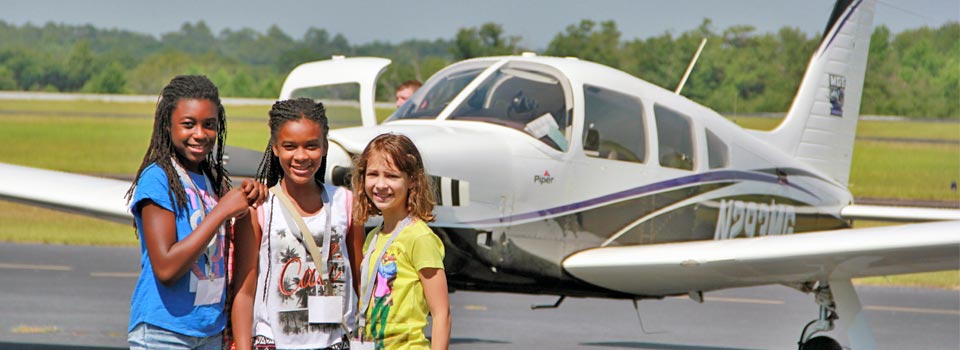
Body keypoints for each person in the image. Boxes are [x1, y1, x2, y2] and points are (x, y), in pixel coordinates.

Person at [125, 75, 266, 350]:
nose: (200, 134)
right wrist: (221, 212)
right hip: (164, 333)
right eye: (188, 124)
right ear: (167, 125)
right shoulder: (158, 179)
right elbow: (166, 269)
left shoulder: (214, 179)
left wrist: (249, 198)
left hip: (209, 332)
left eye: (209, 125)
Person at [232, 98, 365, 350]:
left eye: (311, 146)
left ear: (325, 147)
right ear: (275, 148)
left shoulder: (347, 203)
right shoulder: (260, 208)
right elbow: (245, 290)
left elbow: (360, 281)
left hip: (335, 341)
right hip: (273, 342)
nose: (301, 156)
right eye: (290, 146)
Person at [352, 133, 450, 350]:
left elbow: (441, 313)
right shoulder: (373, 237)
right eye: (373, 174)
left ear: (412, 180)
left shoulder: (419, 237)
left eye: (392, 176)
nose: (380, 184)